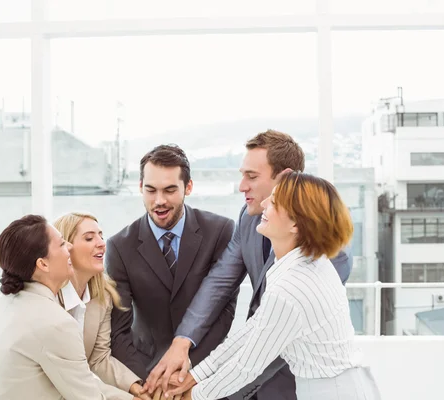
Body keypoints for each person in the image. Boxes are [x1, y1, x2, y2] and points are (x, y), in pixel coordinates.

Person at [145, 130, 353, 400]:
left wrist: (197, 394)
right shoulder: (252, 218)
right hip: (249, 370)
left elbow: (258, 354)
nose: (242, 186)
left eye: (252, 177)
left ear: (286, 178)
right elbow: (221, 284)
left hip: (291, 384)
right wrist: (183, 344)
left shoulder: (320, 263)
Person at [166, 171, 381, 400]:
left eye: (275, 201)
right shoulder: (307, 263)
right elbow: (253, 330)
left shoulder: (292, 286)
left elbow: (246, 367)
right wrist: (197, 374)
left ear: (296, 224)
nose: (266, 202)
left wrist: (193, 396)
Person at [106, 144, 237, 382]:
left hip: (206, 373)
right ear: (140, 188)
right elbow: (119, 332)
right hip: (147, 373)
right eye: (151, 190)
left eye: (169, 190)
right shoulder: (119, 246)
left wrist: (191, 372)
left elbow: (224, 312)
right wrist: (149, 383)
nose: (159, 201)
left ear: (188, 187)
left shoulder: (220, 231)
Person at [0, 214, 114, 399]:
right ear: (43, 264)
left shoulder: (2, 304)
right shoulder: (55, 323)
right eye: (62, 244)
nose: (70, 247)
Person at [53, 212, 149, 400]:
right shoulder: (49, 298)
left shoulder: (102, 297)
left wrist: (135, 387)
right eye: (89, 238)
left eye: (101, 236)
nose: (101, 243)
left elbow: (99, 359)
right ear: (66, 248)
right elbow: (70, 374)